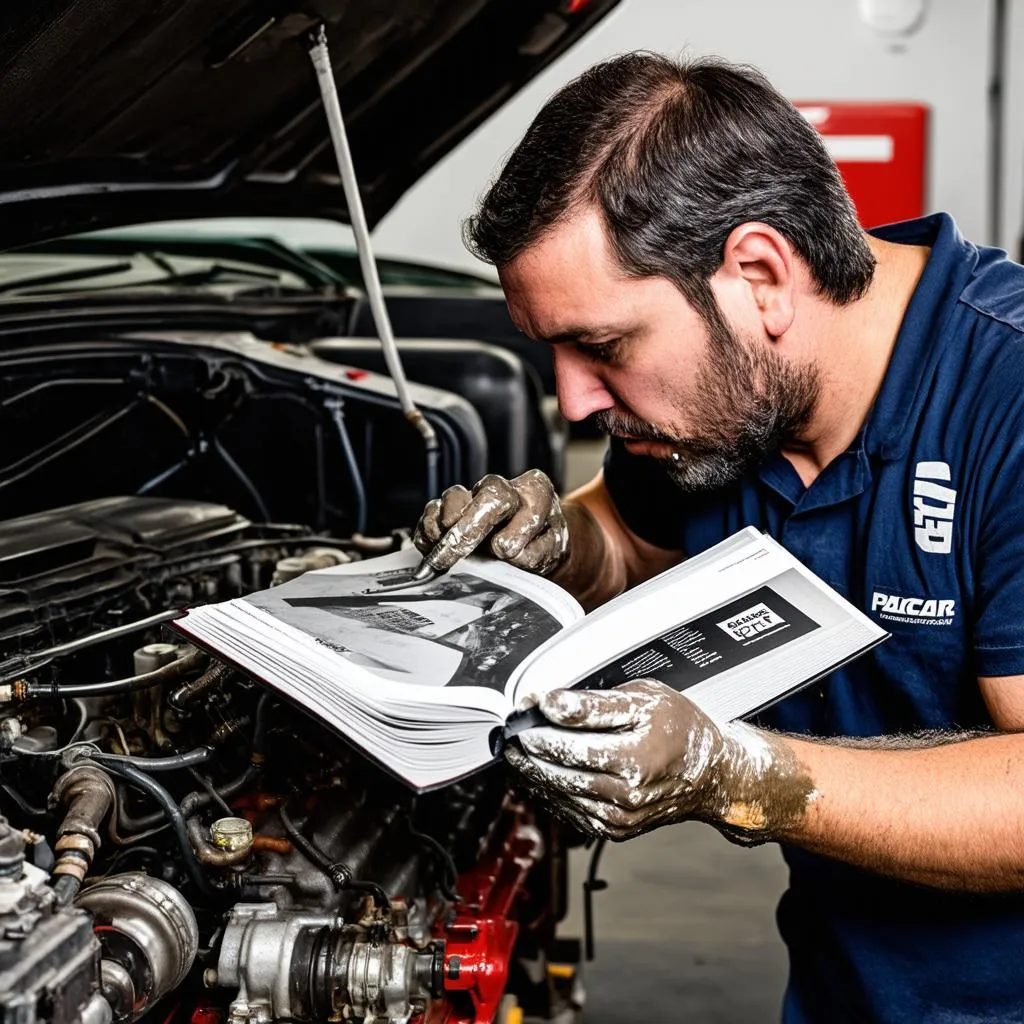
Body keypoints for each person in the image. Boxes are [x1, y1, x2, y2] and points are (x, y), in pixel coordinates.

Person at [411, 52, 1024, 1023]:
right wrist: (552, 542)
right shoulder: (717, 405)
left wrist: (736, 775)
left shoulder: (1005, 400)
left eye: (603, 347)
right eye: (556, 354)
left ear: (759, 274)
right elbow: (629, 543)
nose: (573, 400)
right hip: (838, 991)